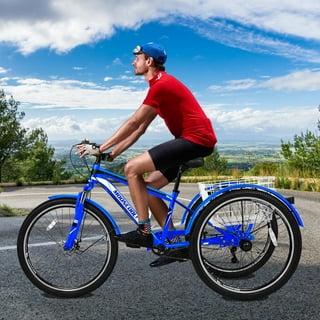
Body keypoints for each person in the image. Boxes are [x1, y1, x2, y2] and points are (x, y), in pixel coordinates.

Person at [77, 42, 217, 267]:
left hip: (195, 140)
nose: (133, 62)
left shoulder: (161, 85)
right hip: (191, 140)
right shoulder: (159, 87)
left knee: (131, 169)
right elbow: (140, 129)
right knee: (149, 190)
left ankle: (144, 232)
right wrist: (112, 154)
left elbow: (133, 122)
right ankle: (175, 245)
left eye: (137, 57)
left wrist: (100, 148)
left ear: (149, 61)